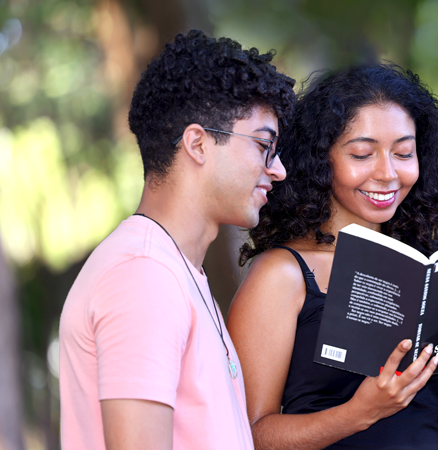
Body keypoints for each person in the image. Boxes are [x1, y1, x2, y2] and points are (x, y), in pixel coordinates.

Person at [227, 64, 438, 450]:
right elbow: (248, 434)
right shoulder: (284, 274)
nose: (387, 173)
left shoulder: (435, 275)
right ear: (322, 160)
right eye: (362, 153)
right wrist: (359, 413)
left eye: (404, 153)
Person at [58, 30, 295, 450]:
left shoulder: (174, 270)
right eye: (263, 146)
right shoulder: (143, 275)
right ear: (198, 143)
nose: (278, 170)